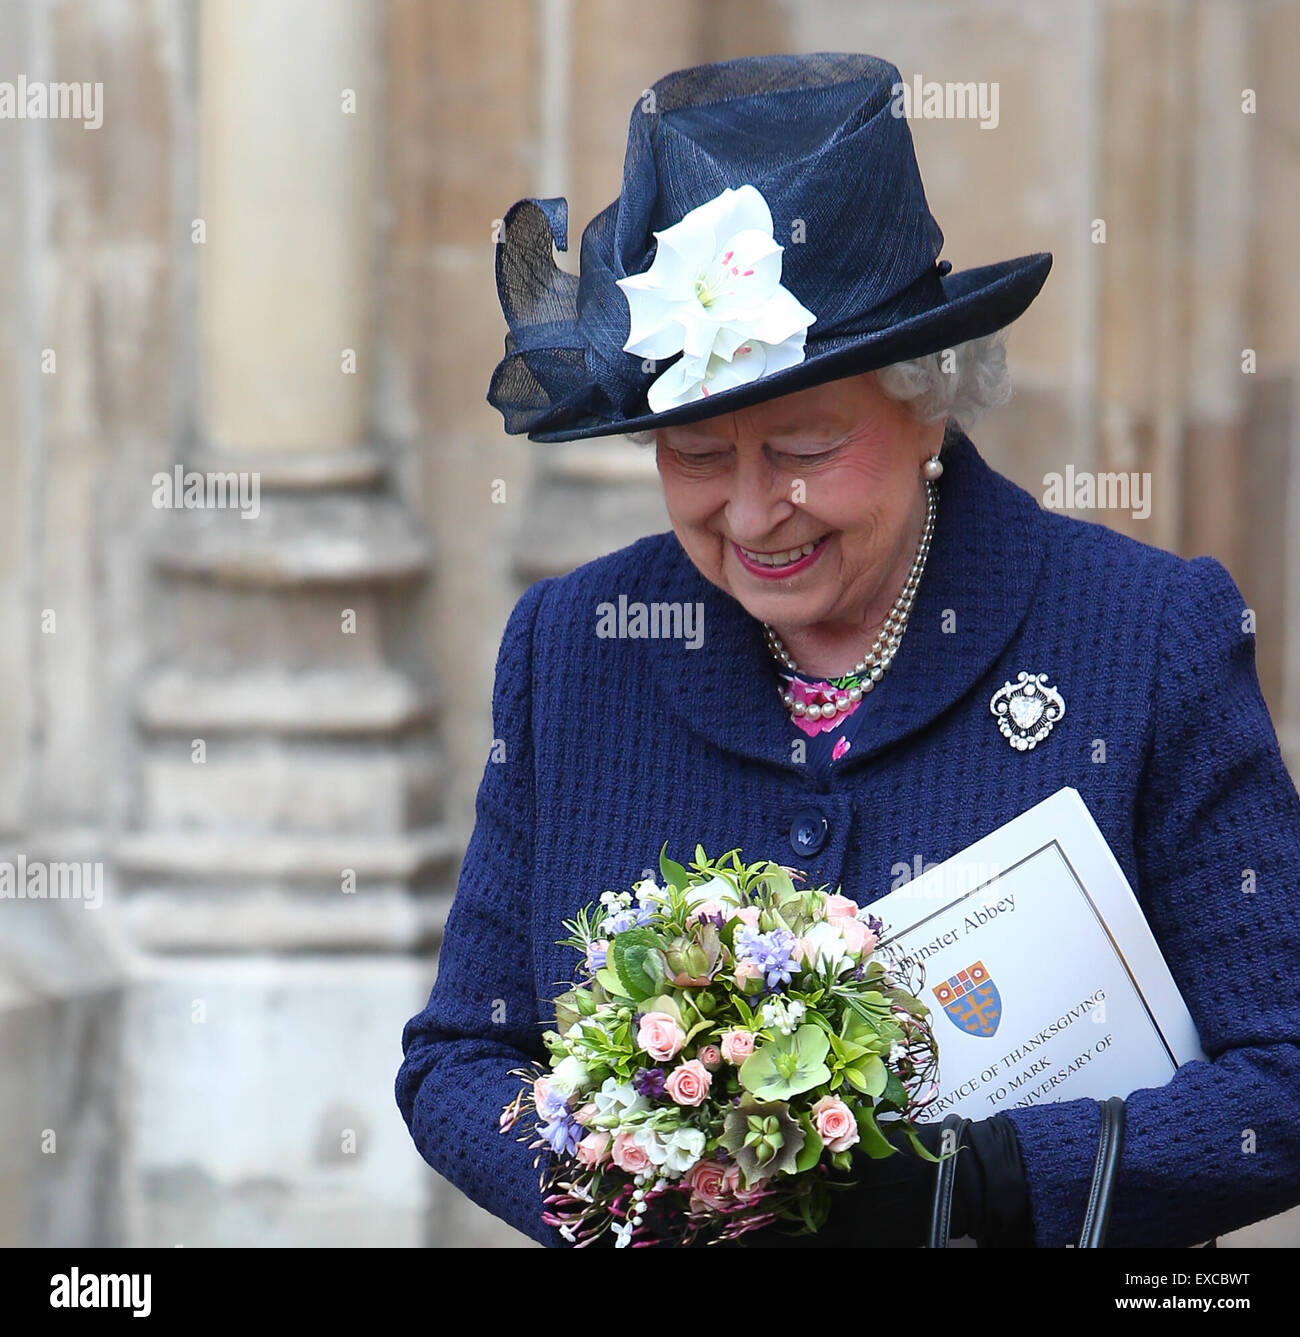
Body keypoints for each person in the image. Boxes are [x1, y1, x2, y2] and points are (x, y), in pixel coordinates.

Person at [396, 52, 1300, 1248]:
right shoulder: (576, 649)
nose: (754, 510)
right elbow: (461, 1055)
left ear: (927, 399)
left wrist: (982, 1180)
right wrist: (623, 1186)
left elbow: (1281, 1078)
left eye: (806, 445)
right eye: (699, 455)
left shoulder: (1143, 635)